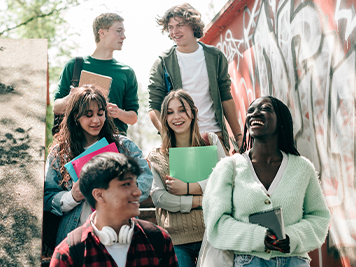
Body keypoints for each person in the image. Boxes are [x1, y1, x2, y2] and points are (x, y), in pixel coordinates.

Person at [203, 96, 331, 266]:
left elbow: (319, 217)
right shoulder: (228, 168)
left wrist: (292, 237)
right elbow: (216, 222)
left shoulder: (302, 168)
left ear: (281, 120)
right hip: (249, 261)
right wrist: (258, 237)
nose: (255, 113)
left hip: (294, 260)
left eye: (265, 109)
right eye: (251, 111)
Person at [44, 85, 152, 247]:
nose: (96, 120)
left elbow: (146, 179)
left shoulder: (124, 147)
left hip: (119, 235)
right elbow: (48, 198)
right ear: (75, 116)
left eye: (100, 114)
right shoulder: (59, 153)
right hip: (76, 239)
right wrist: (72, 197)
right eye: (89, 115)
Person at [50, 152, 178, 266]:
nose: (138, 192)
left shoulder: (159, 239)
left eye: (135, 184)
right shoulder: (68, 254)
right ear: (99, 195)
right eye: (126, 184)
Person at [147, 89, 227, 267]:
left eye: (182, 110)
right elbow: (159, 198)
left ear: (193, 113)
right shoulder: (157, 155)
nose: (176, 116)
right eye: (170, 112)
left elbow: (225, 180)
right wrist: (200, 200)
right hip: (176, 240)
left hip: (212, 234)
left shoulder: (210, 141)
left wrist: (188, 188)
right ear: (165, 119)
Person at [148, 3, 243, 152]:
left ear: (193, 25)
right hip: (181, 139)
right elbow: (154, 106)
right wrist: (167, 135)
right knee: (182, 177)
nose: (174, 31)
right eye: (170, 27)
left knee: (221, 176)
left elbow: (225, 95)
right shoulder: (163, 62)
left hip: (214, 135)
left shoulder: (215, 56)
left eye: (179, 25)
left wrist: (238, 134)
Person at [53, 13, 138, 135]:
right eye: (119, 31)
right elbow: (56, 108)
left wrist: (118, 112)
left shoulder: (126, 72)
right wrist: (70, 98)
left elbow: (133, 118)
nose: (123, 36)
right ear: (102, 33)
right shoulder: (75, 65)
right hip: (78, 144)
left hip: (112, 145)